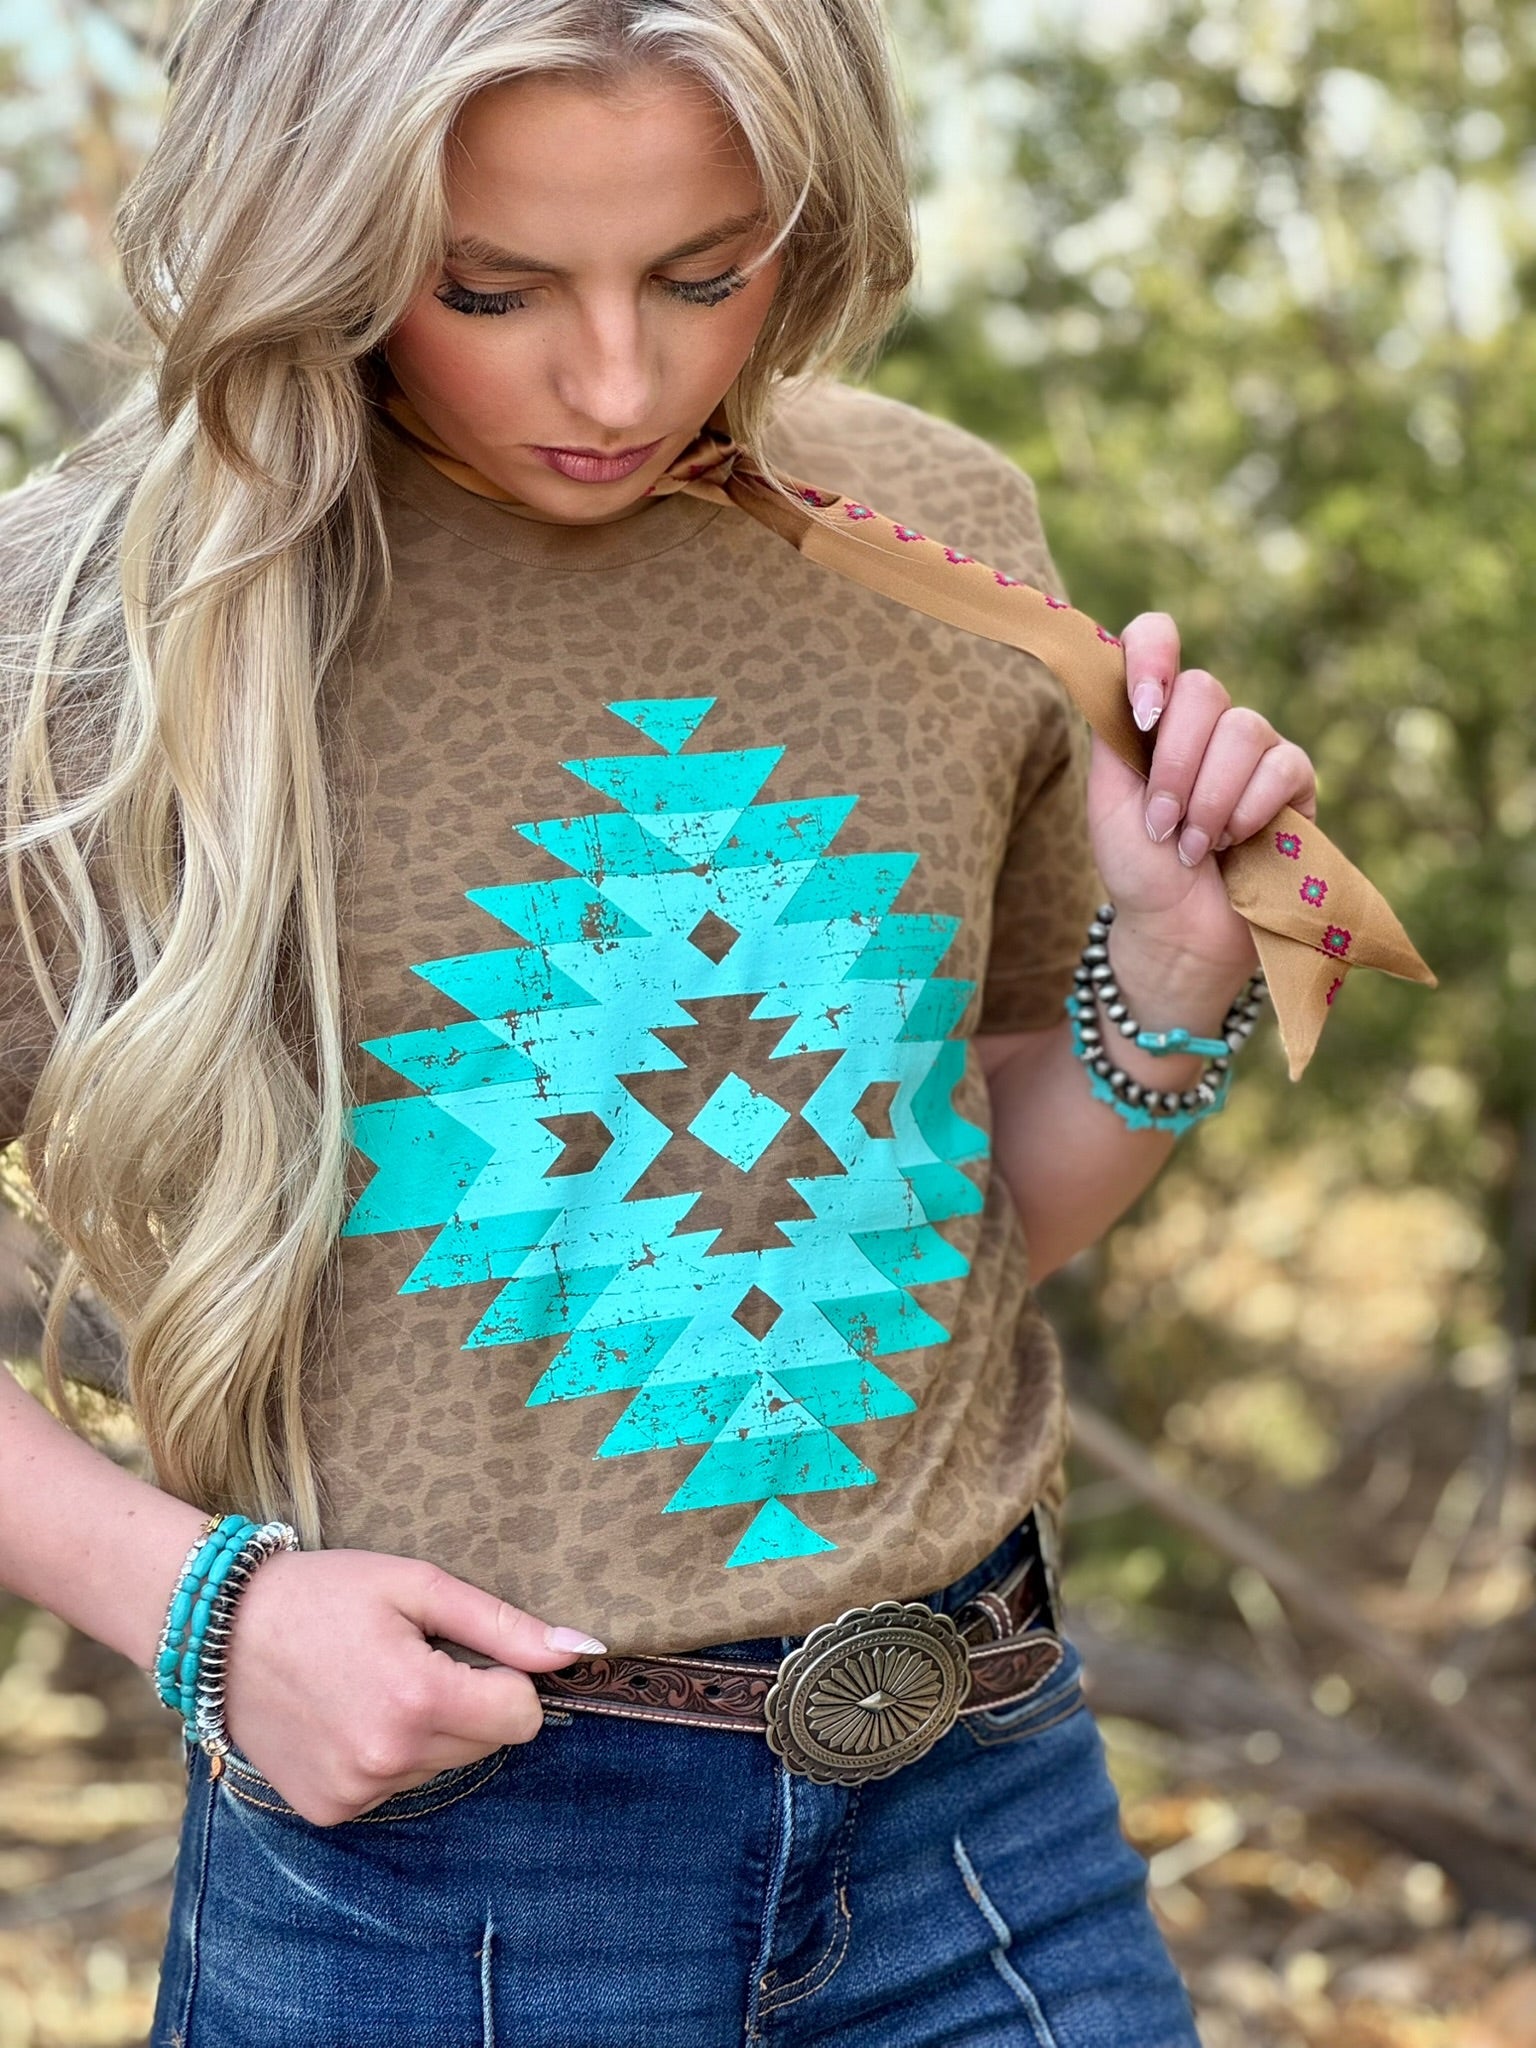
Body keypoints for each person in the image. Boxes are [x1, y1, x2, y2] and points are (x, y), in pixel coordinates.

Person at [0, 1, 1341, 2042]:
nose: (619, 379)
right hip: (429, 1885)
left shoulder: (944, 544)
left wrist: (1164, 981)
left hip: (989, 1808)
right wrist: (195, 1608)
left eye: (708, 273)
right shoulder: (99, 632)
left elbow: (935, 1217)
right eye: (492, 287)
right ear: (318, 226)